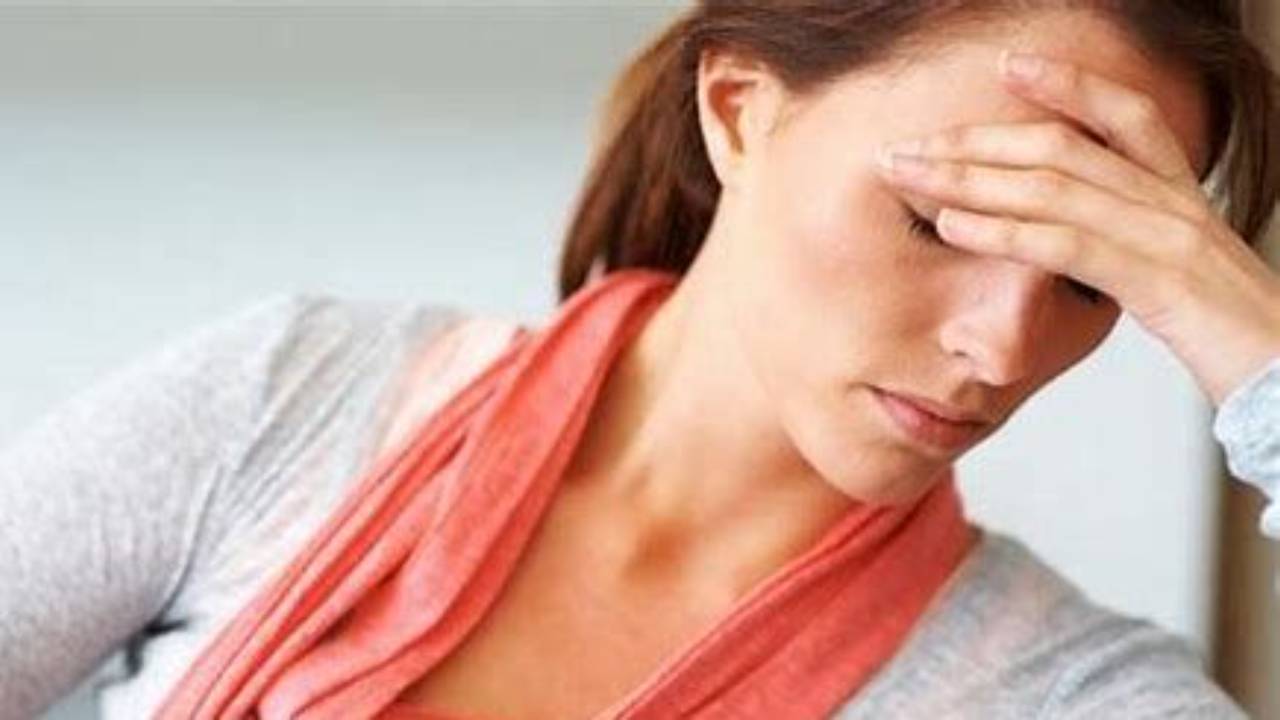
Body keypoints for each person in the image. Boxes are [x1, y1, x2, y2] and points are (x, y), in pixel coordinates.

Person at [3, 1, 1279, 719]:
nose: (998, 348)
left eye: (1090, 277)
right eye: (939, 224)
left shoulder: (1059, 694)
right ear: (738, 111)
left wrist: (1255, 350)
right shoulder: (294, 397)